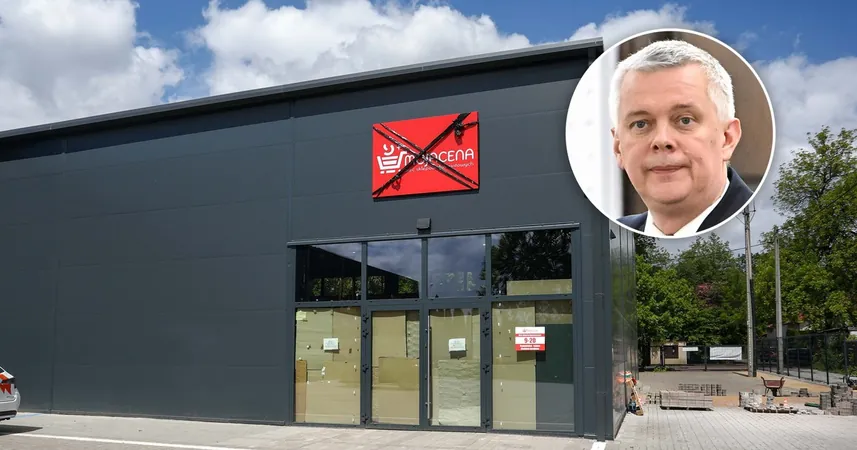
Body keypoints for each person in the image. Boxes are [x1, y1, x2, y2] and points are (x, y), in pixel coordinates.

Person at [609, 39, 753, 236]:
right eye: (641, 124)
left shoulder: (762, 226)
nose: (662, 140)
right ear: (618, 148)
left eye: (685, 120)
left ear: (727, 138)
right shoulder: (611, 236)